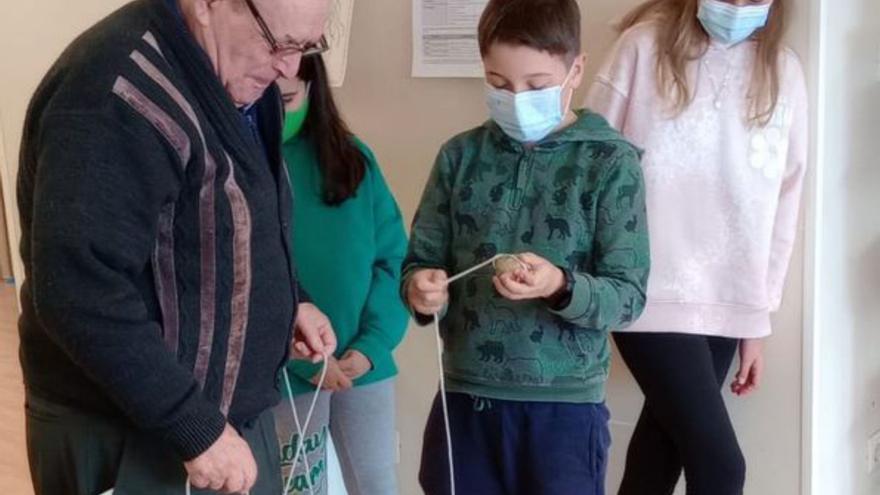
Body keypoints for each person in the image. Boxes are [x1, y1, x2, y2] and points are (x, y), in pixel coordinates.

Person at [16, 0, 339, 493]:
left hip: (220, 425)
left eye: (306, 45)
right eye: (279, 42)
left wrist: (291, 299)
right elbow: (79, 289)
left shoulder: (245, 76)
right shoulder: (115, 92)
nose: (290, 67)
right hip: (135, 434)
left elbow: (231, 220)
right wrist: (196, 429)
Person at [403, 1, 651, 493]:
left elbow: (628, 297)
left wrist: (559, 285)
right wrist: (419, 288)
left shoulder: (609, 163)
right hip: (464, 404)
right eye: (498, 84)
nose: (516, 98)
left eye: (536, 86)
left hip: (563, 415)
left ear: (575, 69)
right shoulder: (459, 157)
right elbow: (421, 261)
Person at [585, 0, 807, 493]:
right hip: (644, 289)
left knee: (657, 458)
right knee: (722, 466)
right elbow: (587, 162)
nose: (737, 5)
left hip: (730, 298)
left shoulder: (785, 71)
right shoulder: (641, 47)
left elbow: (785, 201)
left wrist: (758, 316)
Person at [272, 55, 409, 495]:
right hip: (283, 372)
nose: (273, 112)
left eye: (287, 98)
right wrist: (299, 358)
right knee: (296, 488)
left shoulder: (354, 161)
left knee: (376, 484)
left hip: (361, 364)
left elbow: (392, 263)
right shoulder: (238, 170)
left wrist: (371, 346)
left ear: (313, 89)